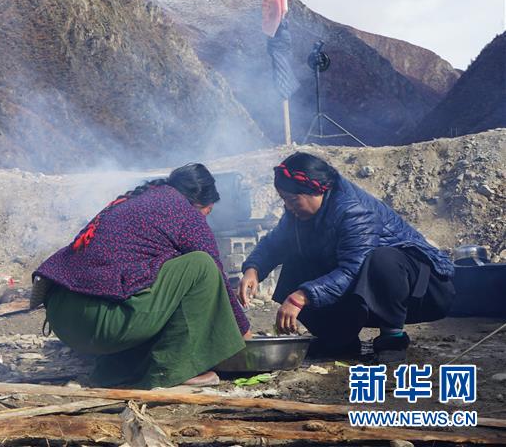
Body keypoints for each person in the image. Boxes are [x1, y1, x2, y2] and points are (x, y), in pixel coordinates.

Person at [32, 164, 250, 389]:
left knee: (157, 280)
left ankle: (117, 373)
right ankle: (174, 370)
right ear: (199, 203)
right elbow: (216, 271)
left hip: (64, 318)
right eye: (208, 212)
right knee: (202, 266)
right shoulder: (185, 213)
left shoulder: (142, 200)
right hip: (97, 323)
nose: (206, 219)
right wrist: (244, 331)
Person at [238, 152, 455, 363]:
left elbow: (353, 269)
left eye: (293, 200)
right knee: (297, 262)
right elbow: (276, 242)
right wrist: (253, 269)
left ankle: (392, 339)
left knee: (381, 259)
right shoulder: (299, 214)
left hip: (422, 293)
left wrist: (300, 297)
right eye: (285, 200)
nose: (289, 207)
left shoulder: (354, 211)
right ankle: (338, 341)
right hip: (367, 291)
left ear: (315, 189)